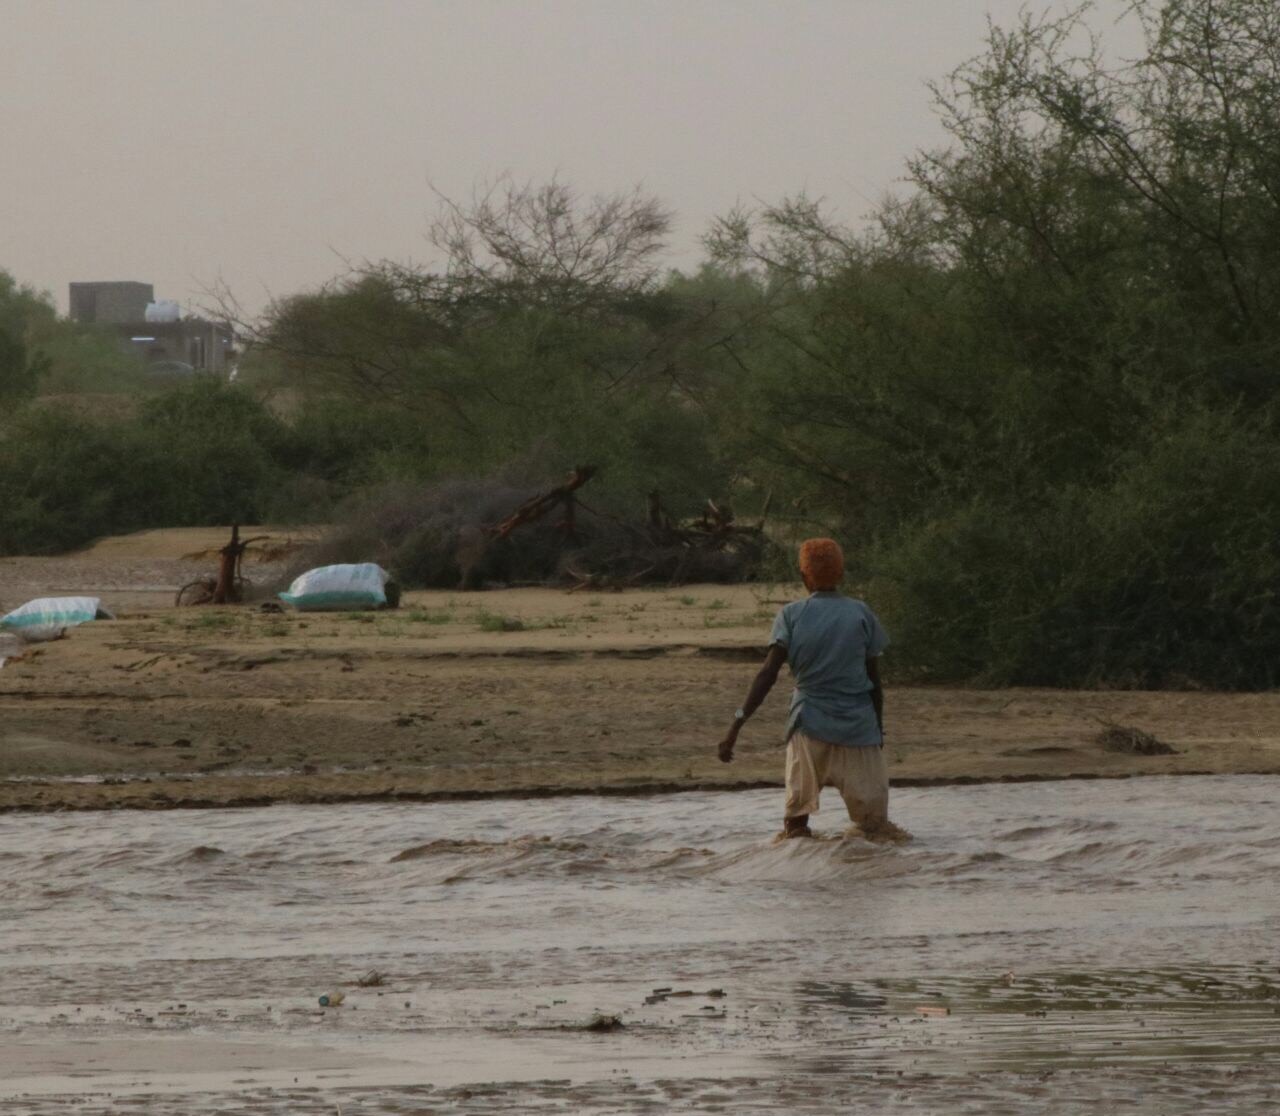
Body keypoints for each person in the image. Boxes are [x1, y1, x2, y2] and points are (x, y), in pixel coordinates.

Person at [717, 538, 890, 838]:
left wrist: (736, 724)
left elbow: (767, 674)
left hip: (809, 725)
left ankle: (799, 872)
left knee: (795, 824)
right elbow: (874, 682)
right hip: (859, 727)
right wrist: (878, 728)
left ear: (802, 576)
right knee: (876, 831)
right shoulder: (861, 613)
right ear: (841, 574)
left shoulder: (791, 616)